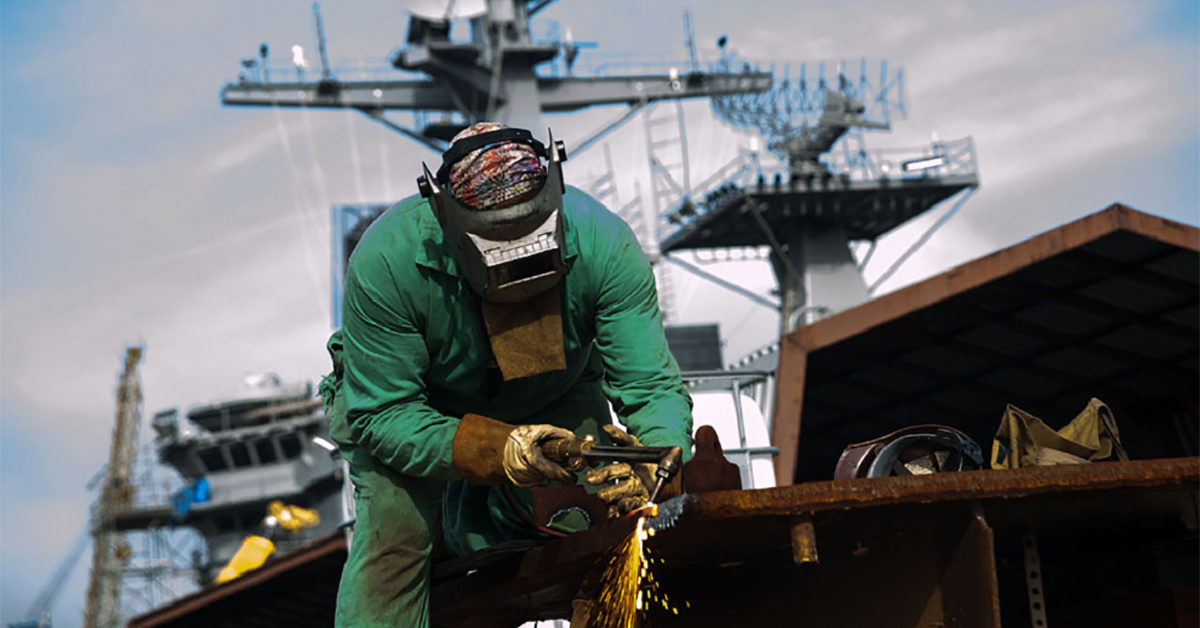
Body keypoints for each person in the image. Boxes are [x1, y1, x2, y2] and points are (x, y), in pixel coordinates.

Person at [321, 122, 693, 627]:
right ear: (447, 220)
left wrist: (659, 463)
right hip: (412, 409)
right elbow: (384, 413)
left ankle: (480, 529)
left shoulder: (604, 243)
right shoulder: (387, 262)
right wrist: (500, 449)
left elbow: (648, 384)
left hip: (554, 392)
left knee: (592, 517)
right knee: (397, 537)